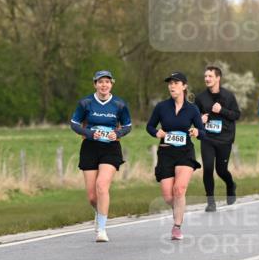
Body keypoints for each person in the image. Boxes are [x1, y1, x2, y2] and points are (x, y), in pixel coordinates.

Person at [70, 70, 133, 242]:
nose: (104, 85)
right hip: (90, 147)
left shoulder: (119, 104)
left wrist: (117, 133)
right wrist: (89, 133)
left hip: (111, 148)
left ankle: (102, 230)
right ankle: (99, 212)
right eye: (100, 82)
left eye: (107, 82)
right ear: (95, 84)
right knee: (92, 196)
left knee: (102, 185)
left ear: (112, 84)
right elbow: (74, 124)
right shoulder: (85, 103)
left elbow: (128, 125)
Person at [146, 72, 204, 240]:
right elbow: (149, 126)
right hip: (166, 152)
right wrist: (157, 132)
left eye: (176, 83)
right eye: (170, 83)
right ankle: (179, 207)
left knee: (179, 190)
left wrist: (196, 131)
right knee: (168, 196)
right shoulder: (161, 107)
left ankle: (177, 226)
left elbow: (203, 133)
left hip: (185, 152)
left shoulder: (192, 109)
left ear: (184, 86)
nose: (172, 86)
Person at [194, 65, 240, 212]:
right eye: (205, 76)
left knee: (221, 170)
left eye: (210, 76)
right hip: (207, 138)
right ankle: (211, 202)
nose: (207, 79)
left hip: (225, 139)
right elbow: (194, 117)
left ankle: (230, 185)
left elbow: (236, 115)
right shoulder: (200, 98)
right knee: (207, 168)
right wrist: (200, 119)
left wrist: (222, 111)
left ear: (218, 78)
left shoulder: (228, 96)